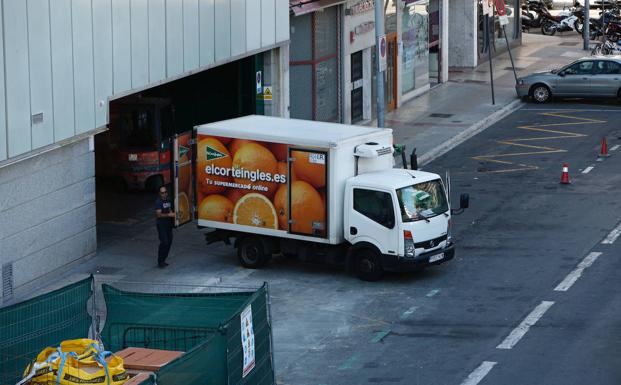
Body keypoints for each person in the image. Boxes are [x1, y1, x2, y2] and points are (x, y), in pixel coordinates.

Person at [155, 186, 176, 268]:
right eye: (162, 193)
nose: (164, 194)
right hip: (161, 225)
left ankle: (163, 260)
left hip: (168, 225)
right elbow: (158, 214)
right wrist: (169, 214)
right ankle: (160, 261)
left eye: (165, 192)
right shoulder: (158, 202)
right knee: (164, 242)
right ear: (159, 194)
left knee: (169, 242)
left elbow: (170, 209)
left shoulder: (169, 200)